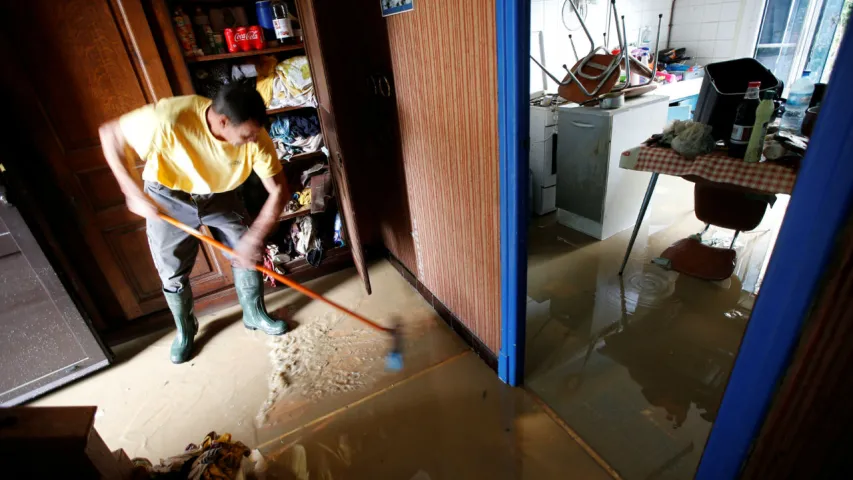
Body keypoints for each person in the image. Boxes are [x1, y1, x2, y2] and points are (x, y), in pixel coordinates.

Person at [99, 83, 289, 364]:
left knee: (245, 248)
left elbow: (279, 190)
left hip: (221, 194)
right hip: (168, 195)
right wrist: (131, 191)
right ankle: (186, 330)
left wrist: (255, 237)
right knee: (171, 270)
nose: (253, 141)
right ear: (223, 122)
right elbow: (110, 133)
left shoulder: (256, 138)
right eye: (246, 136)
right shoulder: (168, 117)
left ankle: (254, 313)